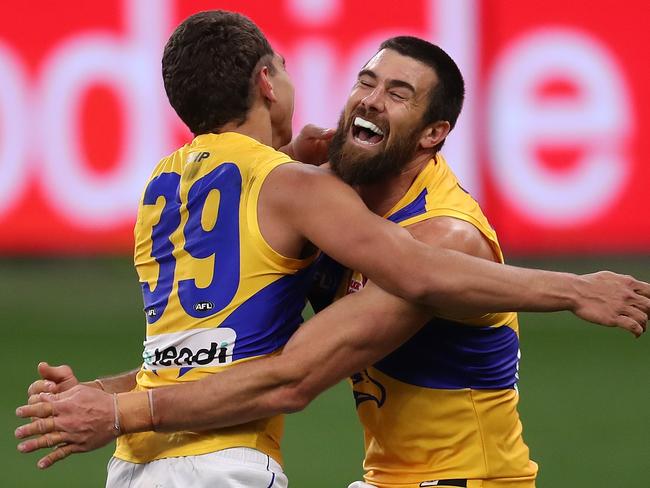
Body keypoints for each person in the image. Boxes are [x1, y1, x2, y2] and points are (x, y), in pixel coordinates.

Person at [16, 14, 650, 488]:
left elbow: (290, 375)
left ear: (434, 135)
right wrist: (98, 395)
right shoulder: (328, 209)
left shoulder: (444, 236)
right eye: (366, 81)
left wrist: (576, 290)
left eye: (398, 94)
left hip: (466, 480)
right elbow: (226, 355)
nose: (371, 99)